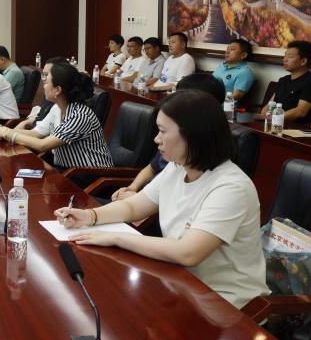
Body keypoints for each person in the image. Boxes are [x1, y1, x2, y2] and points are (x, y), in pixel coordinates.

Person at [54, 89, 269, 309]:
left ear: (193, 135)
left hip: (225, 303)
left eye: (163, 131)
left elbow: (188, 252)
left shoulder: (231, 187)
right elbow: (133, 207)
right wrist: (89, 216)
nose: (156, 139)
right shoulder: (178, 167)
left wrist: (115, 238)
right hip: (178, 282)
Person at [110, 73, 226, 202]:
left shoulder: (222, 181)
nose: (157, 139)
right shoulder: (174, 157)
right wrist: (132, 189)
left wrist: (136, 199)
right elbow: (151, 168)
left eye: (179, 97)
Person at [0, 62, 113, 169]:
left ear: (57, 90)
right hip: (68, 171)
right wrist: (4, 132)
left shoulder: (80, 116)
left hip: (90, 175)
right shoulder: (57, 108)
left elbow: (43, 145)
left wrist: (8, 133)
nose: (44, 85)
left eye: (47, 82)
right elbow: (36, 133)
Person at [258, 40, 311, 124]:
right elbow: (270, 104)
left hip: (294, 127)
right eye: (285, 55)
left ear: (303, 61)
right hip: (274, 123)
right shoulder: (283, 80)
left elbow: (300, 112)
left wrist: (273, 119)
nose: (285, 59)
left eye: (290, 56)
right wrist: (262, 118)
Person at [13, 56, 67, 132]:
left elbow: (43, 139)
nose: (44, 79)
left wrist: (7, 133)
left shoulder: (74, 112)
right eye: (43, 74)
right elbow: (38, 129)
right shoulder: (52, 100)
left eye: (47, 75)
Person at [212, 38, 255, 104]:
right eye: (227, 49)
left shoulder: (245, 73)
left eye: (232, 49)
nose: (227, 52)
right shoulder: (222, 65)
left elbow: (235, 96)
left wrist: (211, 100)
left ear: (243, 55)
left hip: (224, 106)